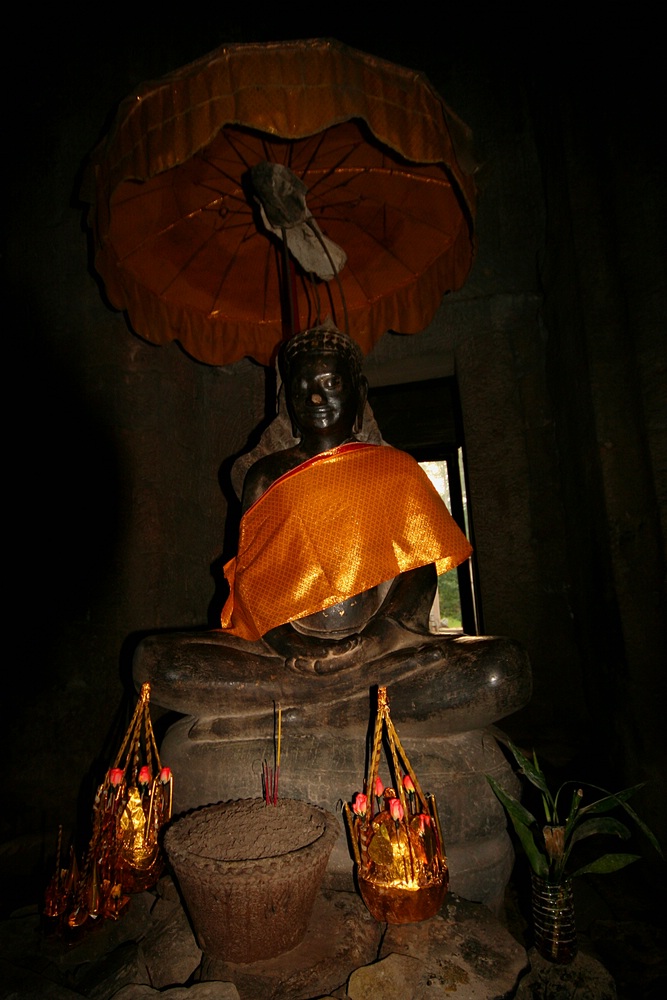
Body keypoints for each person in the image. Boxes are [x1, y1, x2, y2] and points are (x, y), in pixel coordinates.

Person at [134, 324, 529, 728]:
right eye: (302, 387)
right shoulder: (265, 476)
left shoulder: (395, 469)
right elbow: (253, 586)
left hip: (380, 648)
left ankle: (300, 708)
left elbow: (418, 574)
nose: (316, 398)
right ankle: (359, 705)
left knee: (502, 669)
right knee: (156, 662)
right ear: (287, 400)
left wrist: (377, 638)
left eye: (332, 383)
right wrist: (290, 644)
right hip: (283, 652)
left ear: (360, 392)